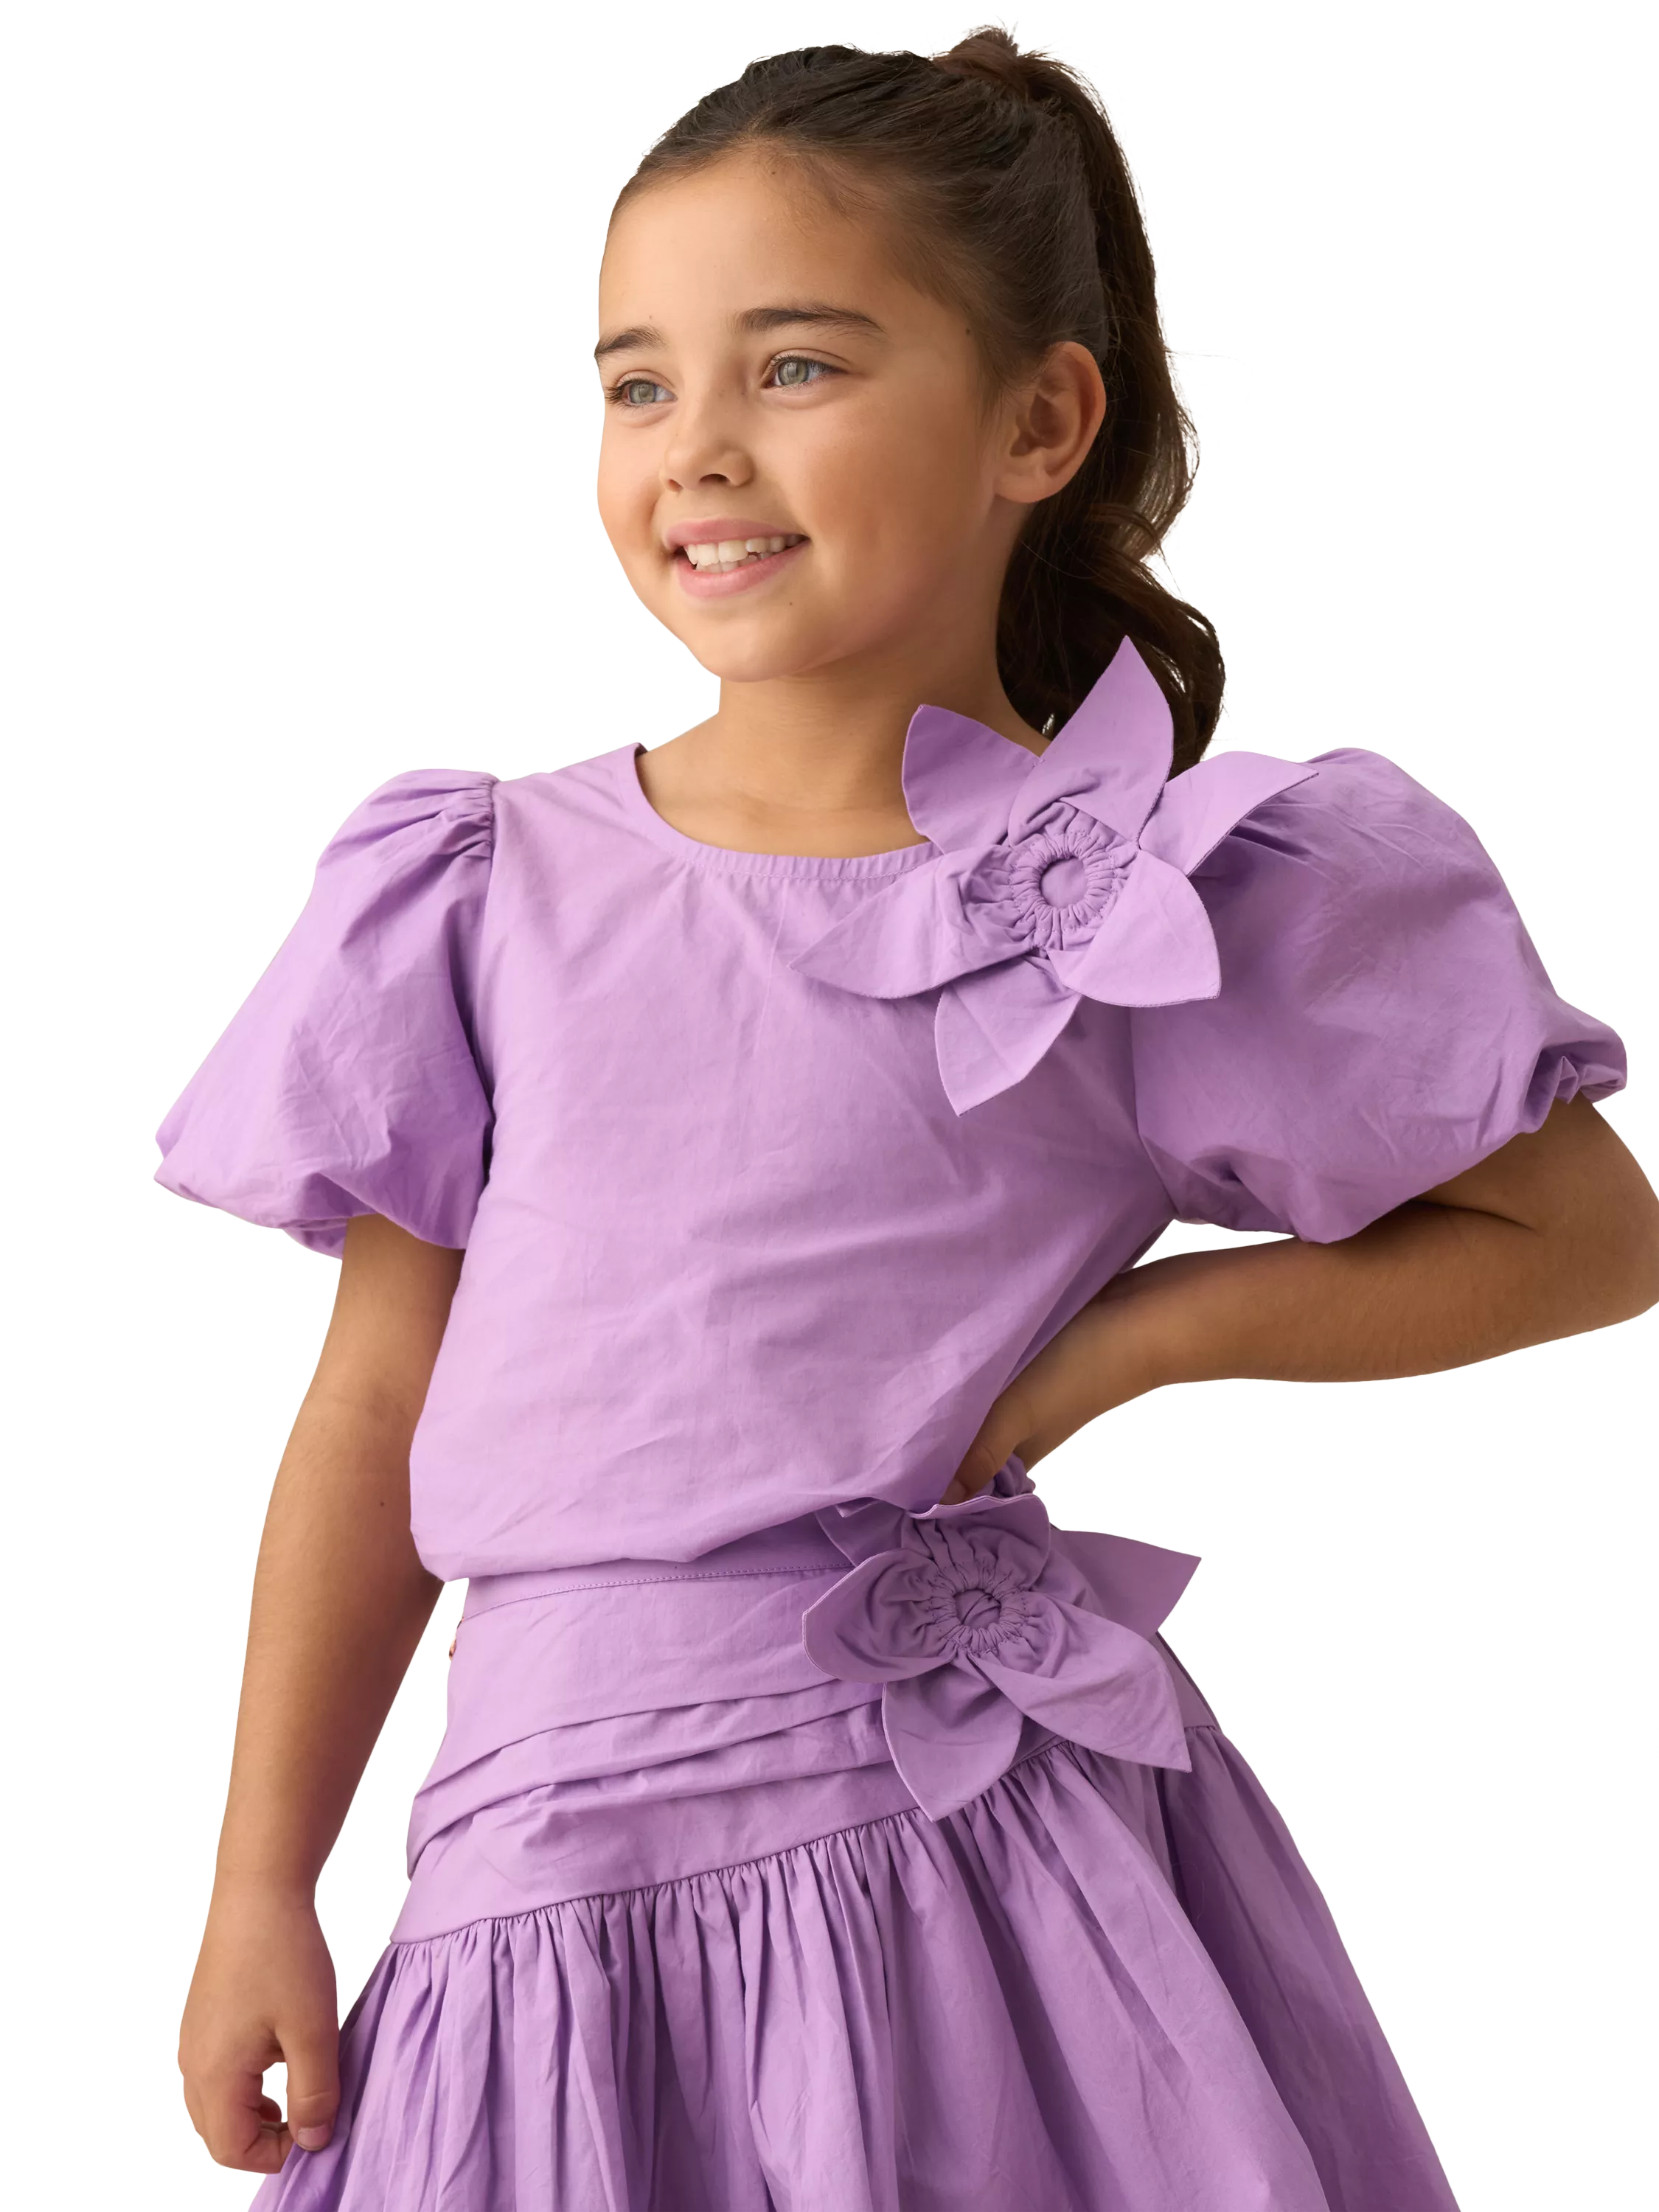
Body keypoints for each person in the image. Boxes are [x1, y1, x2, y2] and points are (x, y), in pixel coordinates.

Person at [156, 29, 1658, 2212]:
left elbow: (1589, 1230)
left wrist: (1125, 1344)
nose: (699, 447)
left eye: (795, 368)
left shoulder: (1155, 897)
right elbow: (380, 1402)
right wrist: (257, 1883)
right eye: (638, 383)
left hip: (969, 1882)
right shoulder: (482, 892)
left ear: (1039, 422)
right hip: (542, 1857)